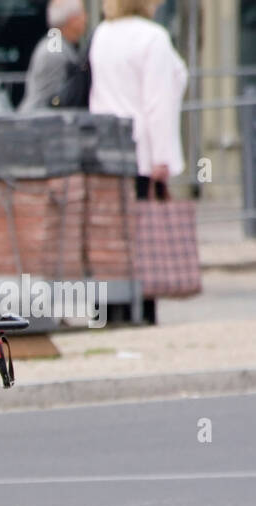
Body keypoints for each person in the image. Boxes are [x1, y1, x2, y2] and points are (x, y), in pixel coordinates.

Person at [88, 0, 187, 323]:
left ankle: (107, 310)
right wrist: (162, 158)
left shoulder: (102, 33)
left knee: (108, 234)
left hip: (106, 151)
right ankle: (141, 310)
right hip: (142, 153)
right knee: (142, 240)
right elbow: (157, 101)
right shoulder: (153, 37)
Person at [18, 0, 90, 111]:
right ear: (72, 19)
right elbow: (52, 100)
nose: (86, 18)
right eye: (82, 13)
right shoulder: (54, 51)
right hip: (40, 123)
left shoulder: (57, 44)